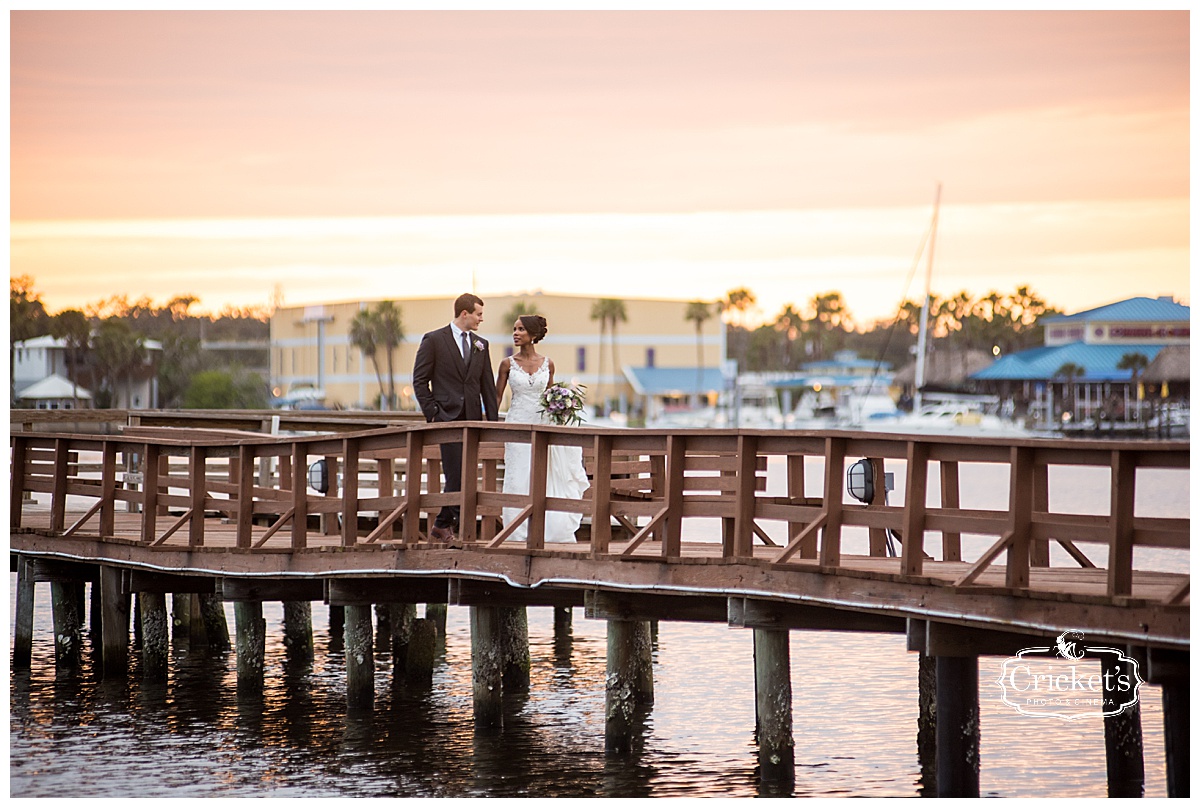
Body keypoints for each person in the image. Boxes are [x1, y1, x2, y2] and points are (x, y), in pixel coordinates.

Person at [412, 293, 500, 542]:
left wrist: (491, 424)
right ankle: (445, 525)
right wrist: (434, 414)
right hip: (447, 419)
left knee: (467, 474)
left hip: (472, 420)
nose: (482, 319)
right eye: (479, 314)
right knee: (455, 474)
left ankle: (444, 525)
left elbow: (487, 387)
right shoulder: (434, 340)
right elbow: (420, 381)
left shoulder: (481, 344)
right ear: (465, 314)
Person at [495, 314, 589, 543]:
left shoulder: (548, 364)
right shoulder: (506, 364)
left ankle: (548, 531)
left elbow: (550, 396)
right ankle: (515, 533)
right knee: (518, 476)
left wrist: (563, 405)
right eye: (514, 329)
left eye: (521, 330)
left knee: (544, 476)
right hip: (516, 424)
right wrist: (489, 426)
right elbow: (495, 398)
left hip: (543, 424)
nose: (515, 333)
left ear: (533, 335)